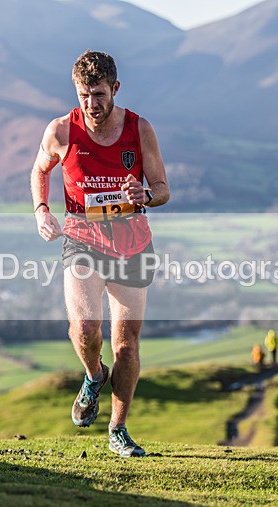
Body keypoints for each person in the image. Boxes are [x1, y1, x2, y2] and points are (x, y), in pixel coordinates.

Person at [30, 50, 170, 458]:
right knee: (86, 330)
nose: (91, 104)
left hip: (133, 244)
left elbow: (162, 188)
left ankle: (118, 429)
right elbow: (40, 170)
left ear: (115, 90)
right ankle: (93, 375)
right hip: (82, 240)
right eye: (83, 95)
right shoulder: (60, 131)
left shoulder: (140, 129)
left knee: (126, 344)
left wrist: (146, 194)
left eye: (98, 94)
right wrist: (42, 211)